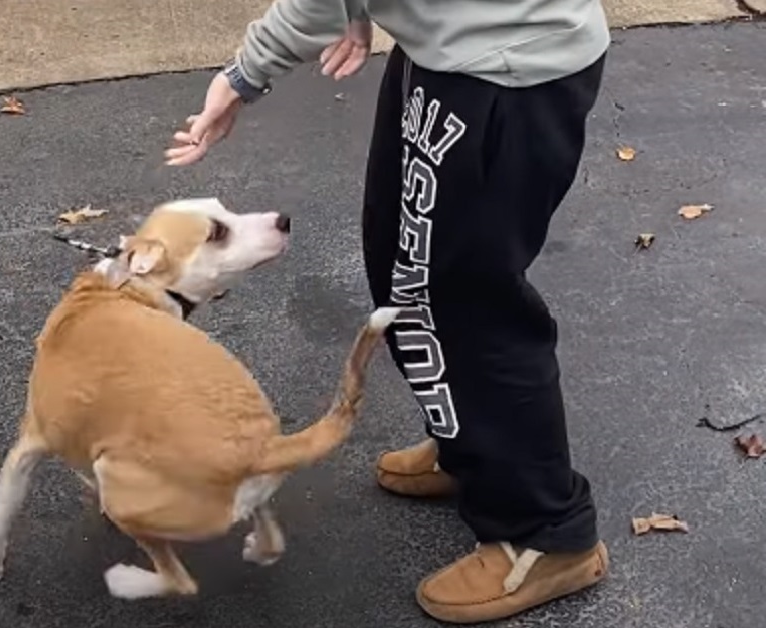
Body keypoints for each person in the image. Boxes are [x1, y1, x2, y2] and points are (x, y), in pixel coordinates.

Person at [164, 0, 611, 623]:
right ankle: (476, 448)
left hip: (504, 68)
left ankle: (544, 531)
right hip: (453, 48)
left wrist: (244, 74)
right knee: (406, 267)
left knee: (468, 306)